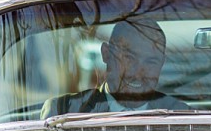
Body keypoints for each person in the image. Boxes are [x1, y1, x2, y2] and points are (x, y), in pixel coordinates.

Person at [41, 18, 189, 119]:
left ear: (161, 64)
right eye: (129, 58)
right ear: (106, 54)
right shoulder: (62, 113)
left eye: (151, 62)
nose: (138, 73)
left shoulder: (181, 116)